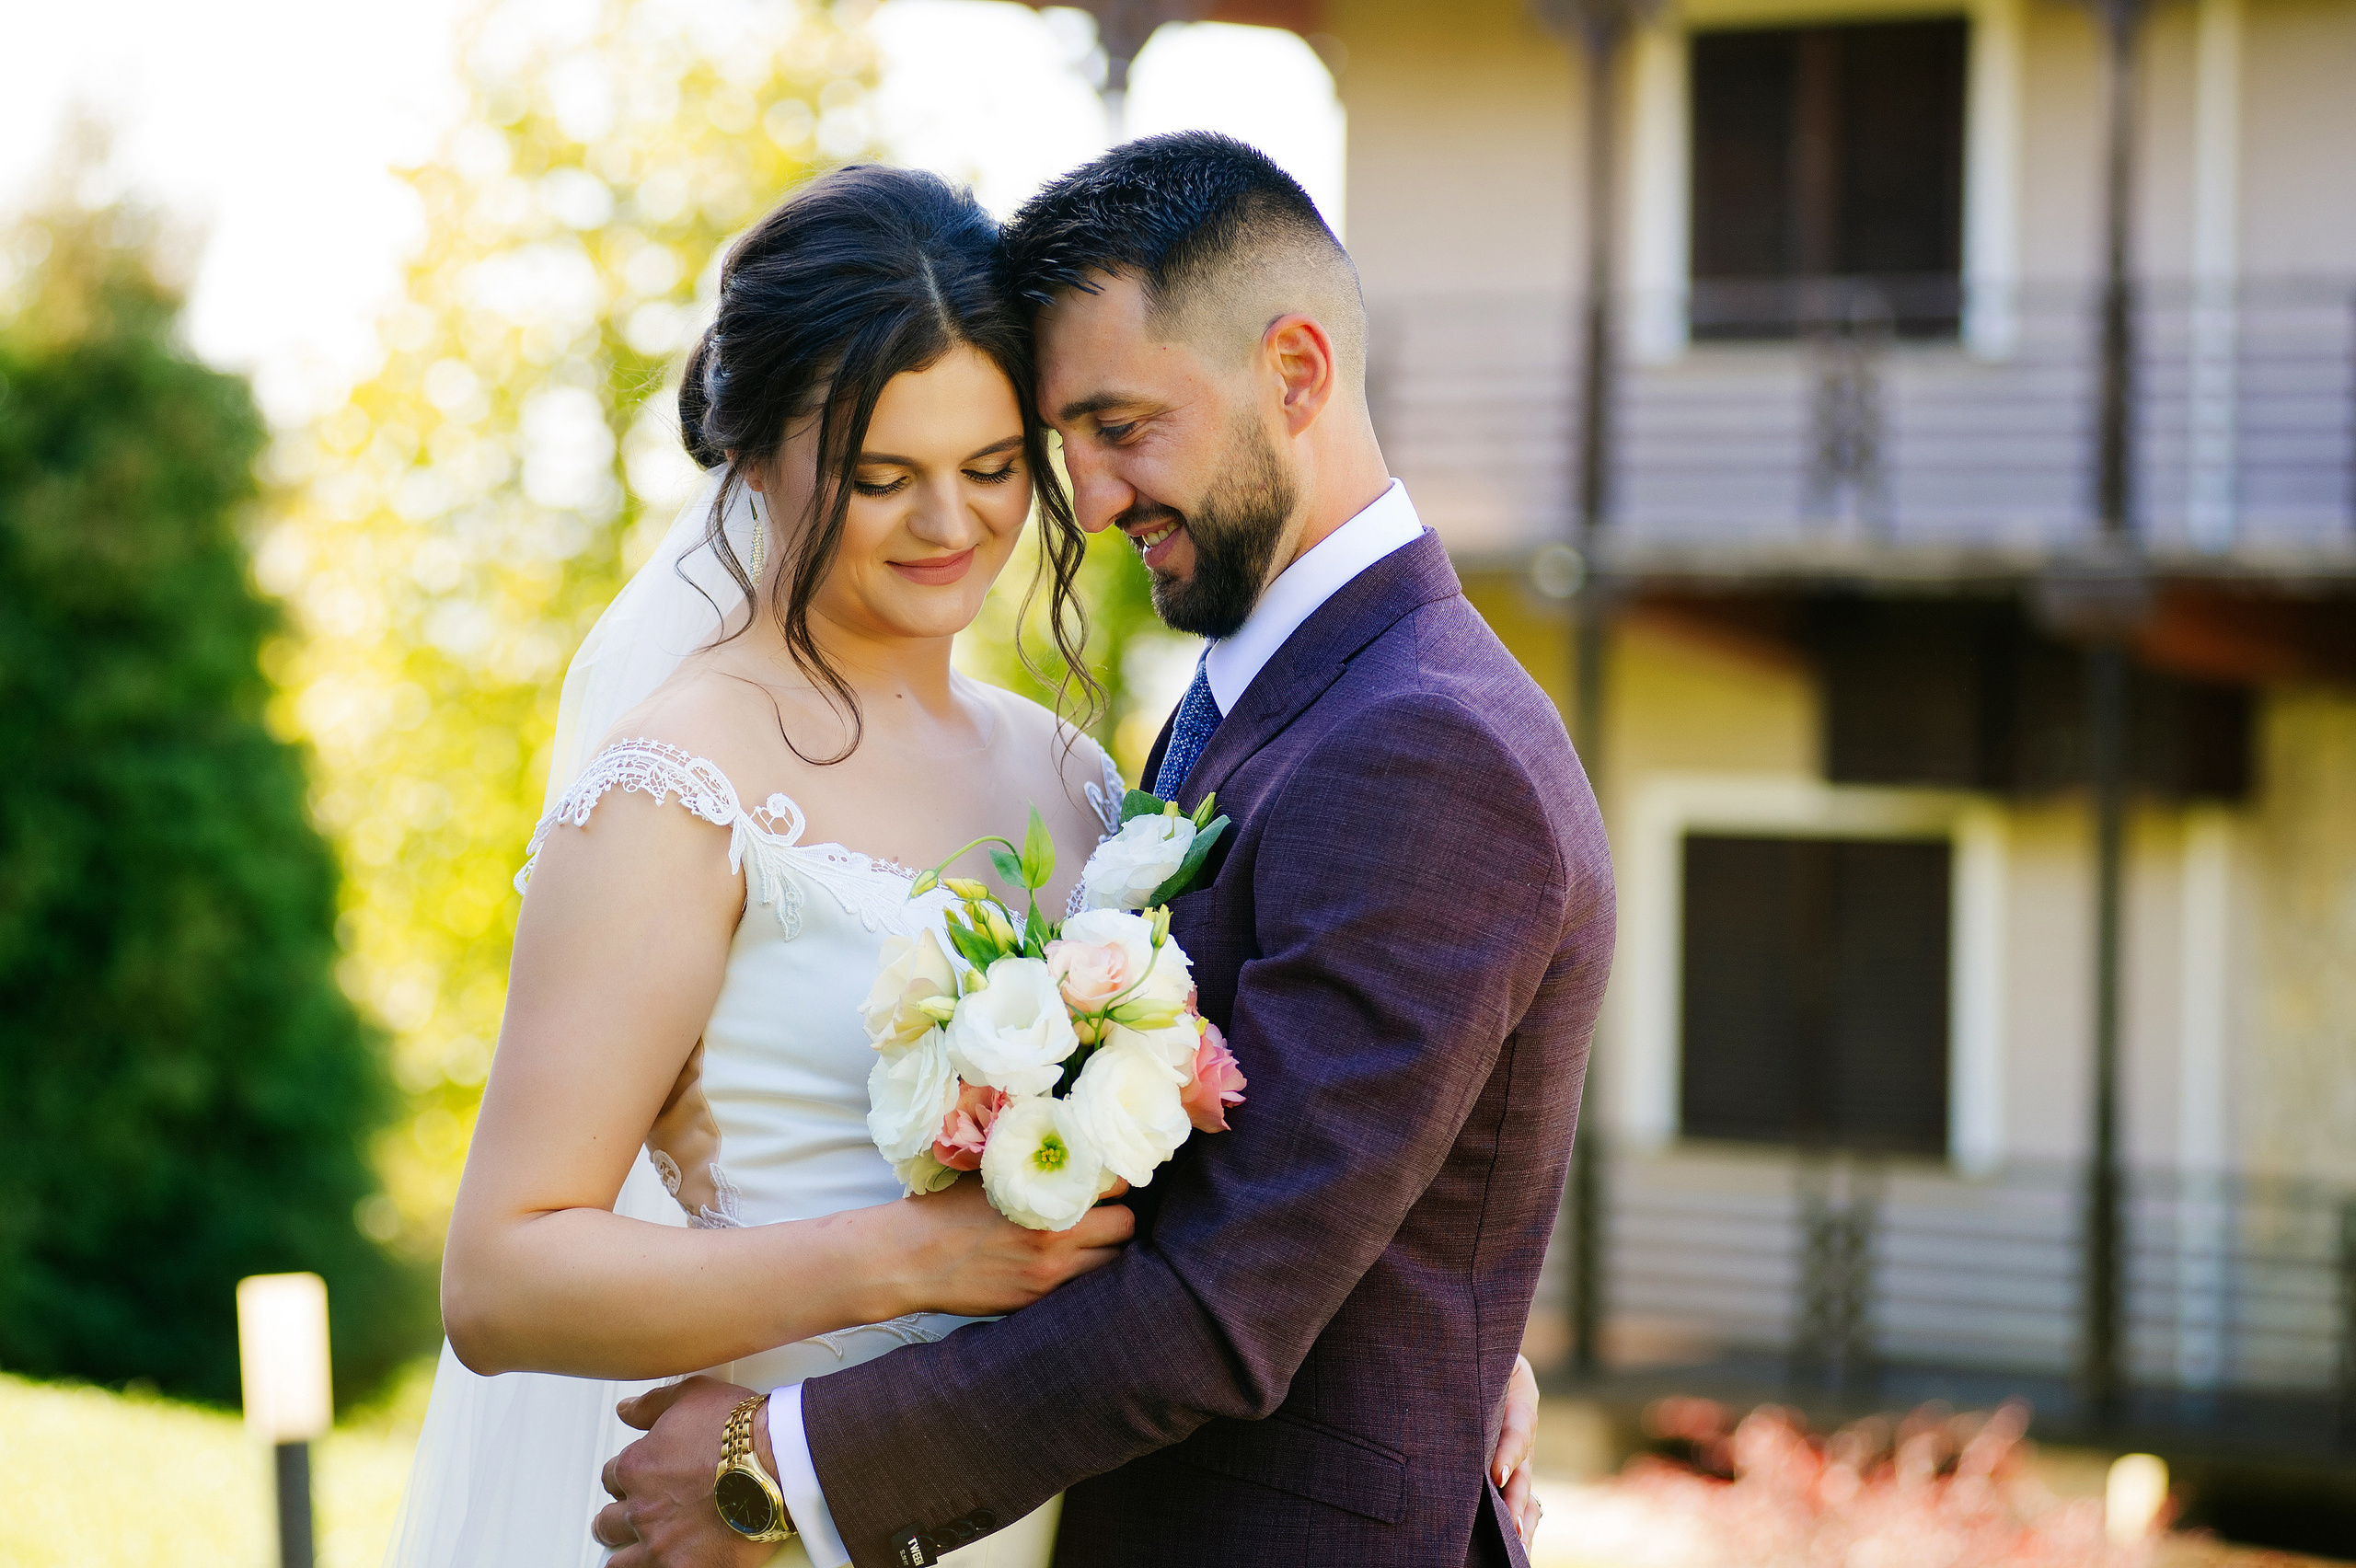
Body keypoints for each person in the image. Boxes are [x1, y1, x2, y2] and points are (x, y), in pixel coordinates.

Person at [383, 161, 1539, 1568]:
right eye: (883, 478)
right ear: (755, 459)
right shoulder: (678, 787)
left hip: (1029, 1518)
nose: (950, 525)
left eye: (994, 469)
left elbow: (1269, 1158)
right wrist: (909, 1262)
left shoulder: (1075, 776)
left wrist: (1441, 1329)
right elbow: (500, 1278)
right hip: (764, 1519)